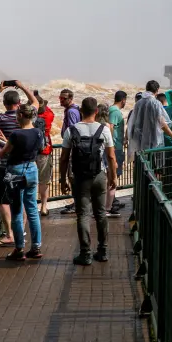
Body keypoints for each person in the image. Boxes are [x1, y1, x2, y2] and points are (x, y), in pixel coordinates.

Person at [60, 97, 116, 266]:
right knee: (100, 213)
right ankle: (103, 251)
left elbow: (64, 158)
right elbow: (111, 157)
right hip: (99, 176)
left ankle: (85, 254)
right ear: (96, 111)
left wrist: (63, 179)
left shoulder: (71, 130)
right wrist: (113, 177)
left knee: (83, 215)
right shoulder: (104, 129)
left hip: (79, 178)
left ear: (81, 111)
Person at [0, 102, 44, 261]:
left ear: (20, 115)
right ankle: (36, 247)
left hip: (16, 172)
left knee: (17, 211)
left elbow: (2, 154)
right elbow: (36, 148)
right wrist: (7, 141)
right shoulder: (38, 132)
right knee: (32, 209)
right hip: (32, 169)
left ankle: (19, 249)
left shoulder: (16, 134)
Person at [0, 80, 38, 247]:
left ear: (5, 104)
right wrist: (22, 85)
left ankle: (10, 234)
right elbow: (35, 103)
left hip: (7, 166)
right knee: (24, 202)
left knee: (3, 201)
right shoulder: (28, 119)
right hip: (29, 166)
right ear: (19, 103)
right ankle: (21, 231)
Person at [127, 80, 172, 164]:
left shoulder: (138, 103)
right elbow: (163, 124)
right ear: (157, 90)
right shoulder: (156, 103)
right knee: (151, 167)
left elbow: (133, 123)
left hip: (139, 143)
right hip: (152, 143)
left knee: (140, 166)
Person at [33, 91, 54, 217]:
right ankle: (44, 207)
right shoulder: (48, 115)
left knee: (29, 180)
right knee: (44, 181)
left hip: (30, 151)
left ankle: (30, 206)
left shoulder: (28, 116)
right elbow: (48, 109)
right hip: (44, 151)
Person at [107, 91, 127, 215]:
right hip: (115, 148)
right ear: (123, 100)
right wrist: (111, 145)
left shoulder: (111, 109)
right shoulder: (115, 111)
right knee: (113, 175)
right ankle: (110, 204)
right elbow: (110, 127)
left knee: (112, 175)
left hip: (116, 146)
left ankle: (112, 200)